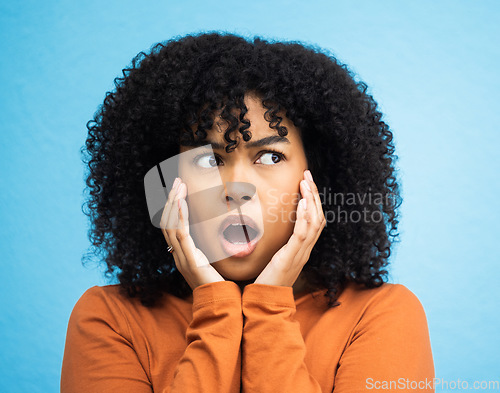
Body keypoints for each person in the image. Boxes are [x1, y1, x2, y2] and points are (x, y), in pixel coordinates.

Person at [60, 32, 435, 392]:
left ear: (318, 178)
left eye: (270, 156)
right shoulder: (110, 319)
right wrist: (215, 310)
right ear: (167, 178)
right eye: (208, 159)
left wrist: (270, 307)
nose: (236, 188)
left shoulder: (382, 315)